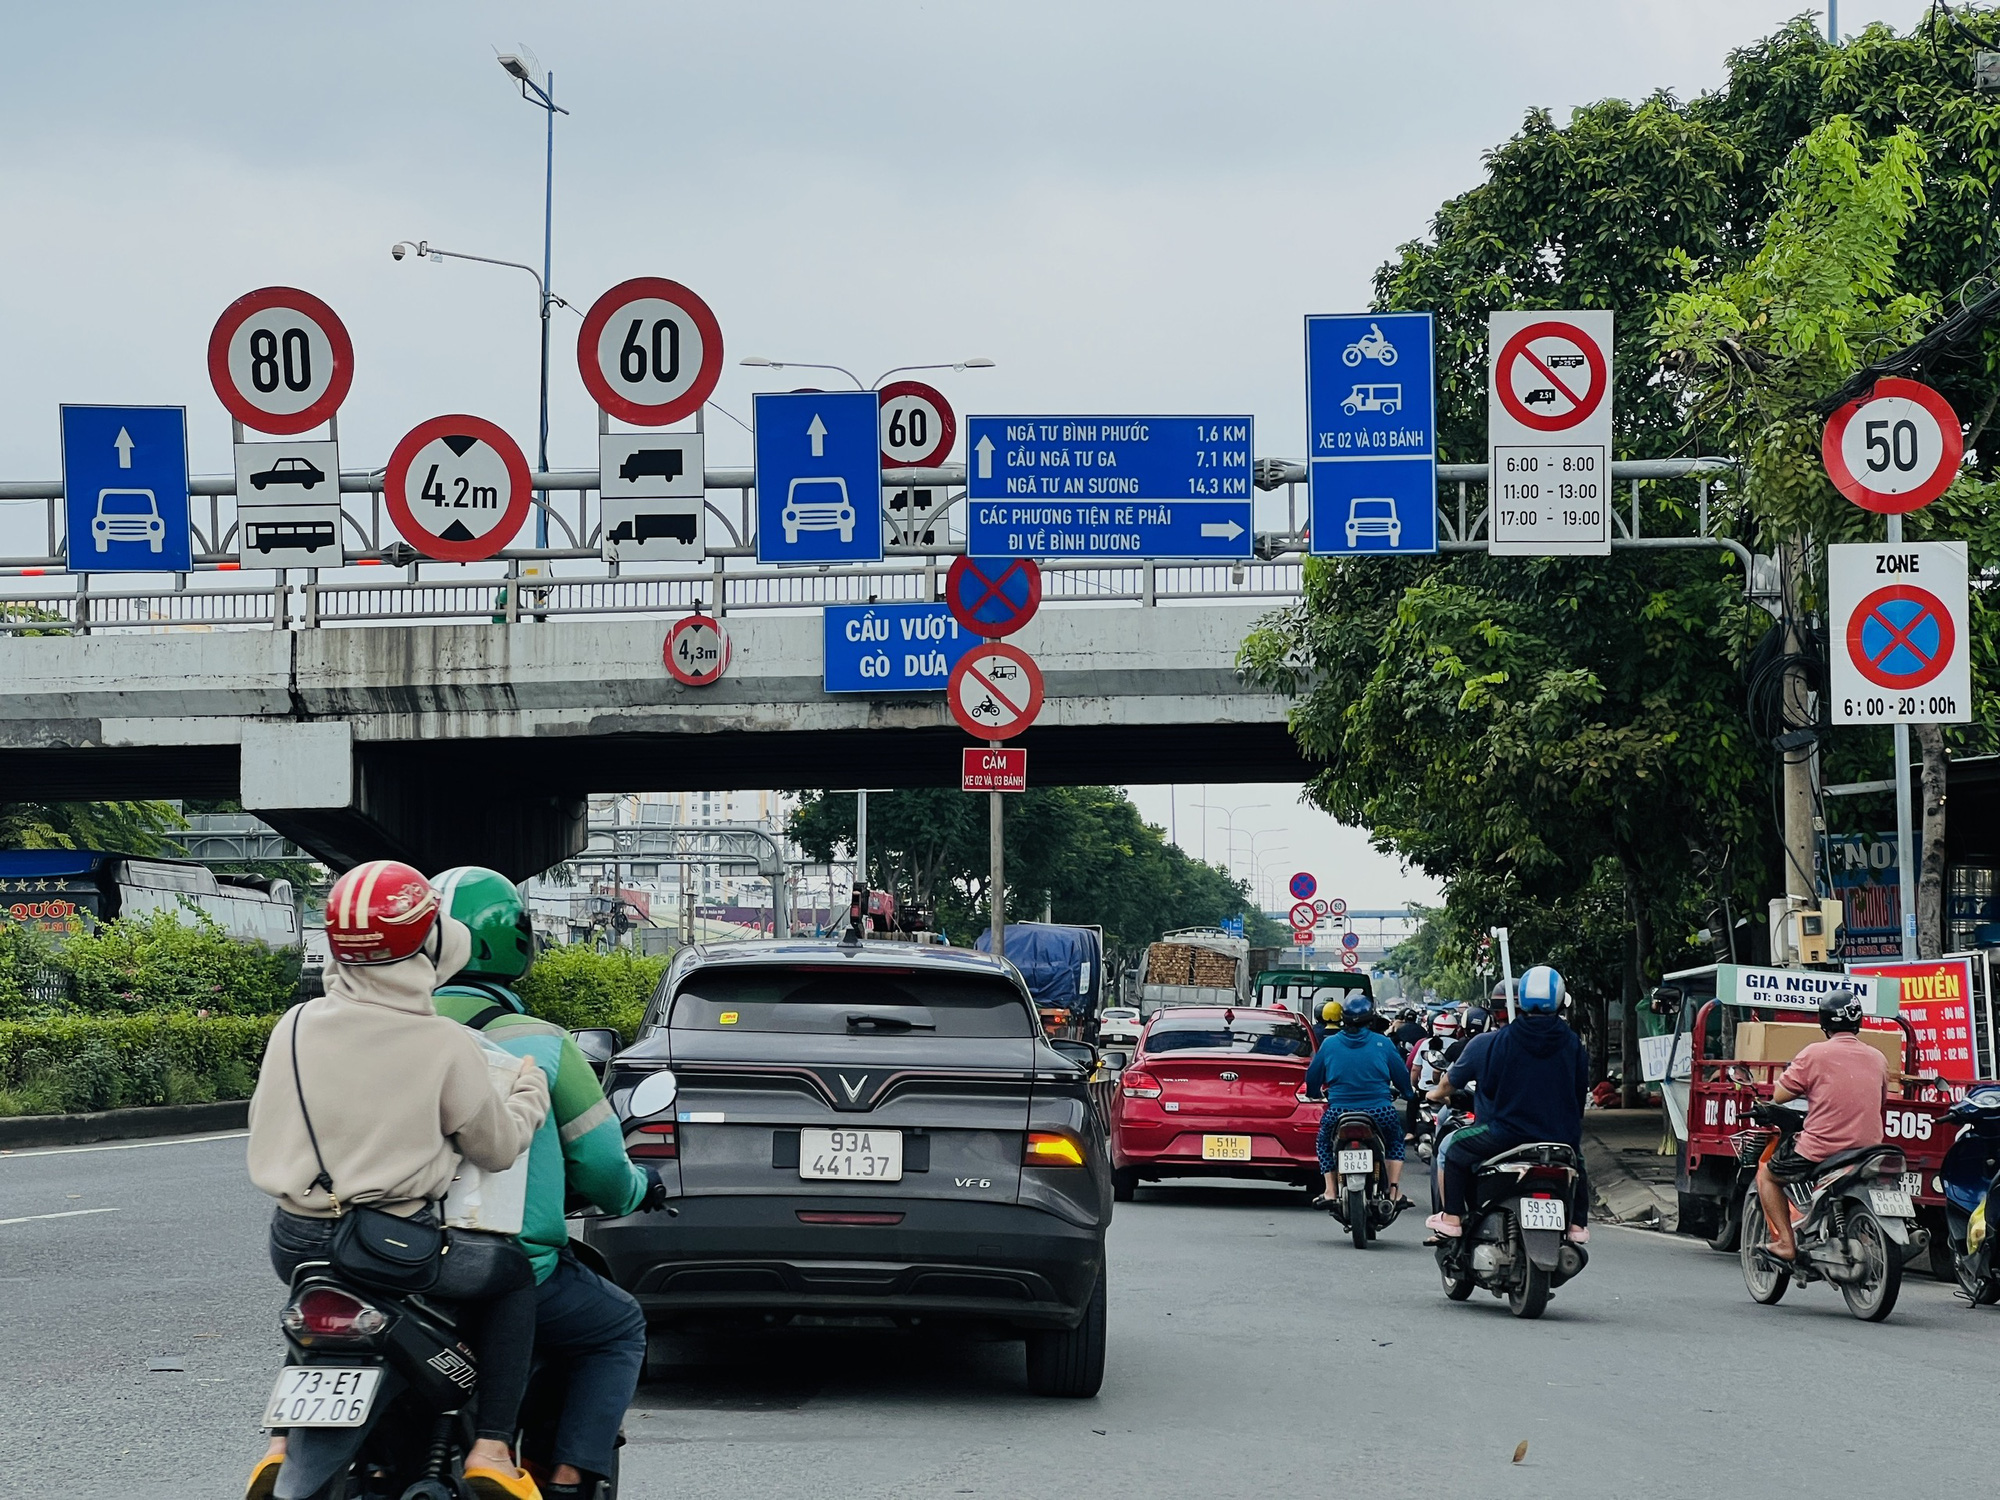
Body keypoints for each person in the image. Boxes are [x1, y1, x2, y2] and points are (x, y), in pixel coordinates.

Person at [246, 860, 551, 1500]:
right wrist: (528, 1096)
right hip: (394, 1246)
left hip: (295, 1240)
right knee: (511, 1276)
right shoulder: (444, 1043)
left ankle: (279, 1442)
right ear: (427, 943)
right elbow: (495, 1149)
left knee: (326, 1297)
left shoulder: (294, 1024)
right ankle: (493, 1449)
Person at [431, 867, 659, 1500]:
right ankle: (567, 1476)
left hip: (392, 1258)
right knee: (618, 1327)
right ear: (517, 944)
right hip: (504, 1267)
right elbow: (604, 1172)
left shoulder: (384, 1034)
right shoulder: (544, 1046)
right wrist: (639, 1191)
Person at [1426, 965, 1590, 1246]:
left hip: (1506, 1134)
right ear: (1561, 1000)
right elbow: (1579, 1094)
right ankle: (1577, 1224)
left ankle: (1452, 1218)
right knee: (1578, 1162)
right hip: (1560, 1136)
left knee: (1455, 1148)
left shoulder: (1501, 1040)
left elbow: (1487, 1086)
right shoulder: (1573, 1042)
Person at [1755, 988, 1887, 1263]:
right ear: (1858, 1021)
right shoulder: (1878, 1058)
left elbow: (1780, 1096)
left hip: (1822, 1149)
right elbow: (1881, 1100)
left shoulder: (1813, 1054)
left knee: (1768, 1175)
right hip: (1868, 1149)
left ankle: (1785, 1244)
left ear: (1824, 1023)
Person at [1304, 993, 1416, 1207]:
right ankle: (1393, 1190)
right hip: (1380, 1111)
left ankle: (1329, 1190)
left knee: (1323, 1143)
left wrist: (1314, 1093)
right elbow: (1401, 1076)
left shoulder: (1330, 1045)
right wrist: (1408, 1094)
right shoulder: (1382, 1043)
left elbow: (1313, 1077)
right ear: (1371, 1019)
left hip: (1339, 1112)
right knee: (1394, 1141)